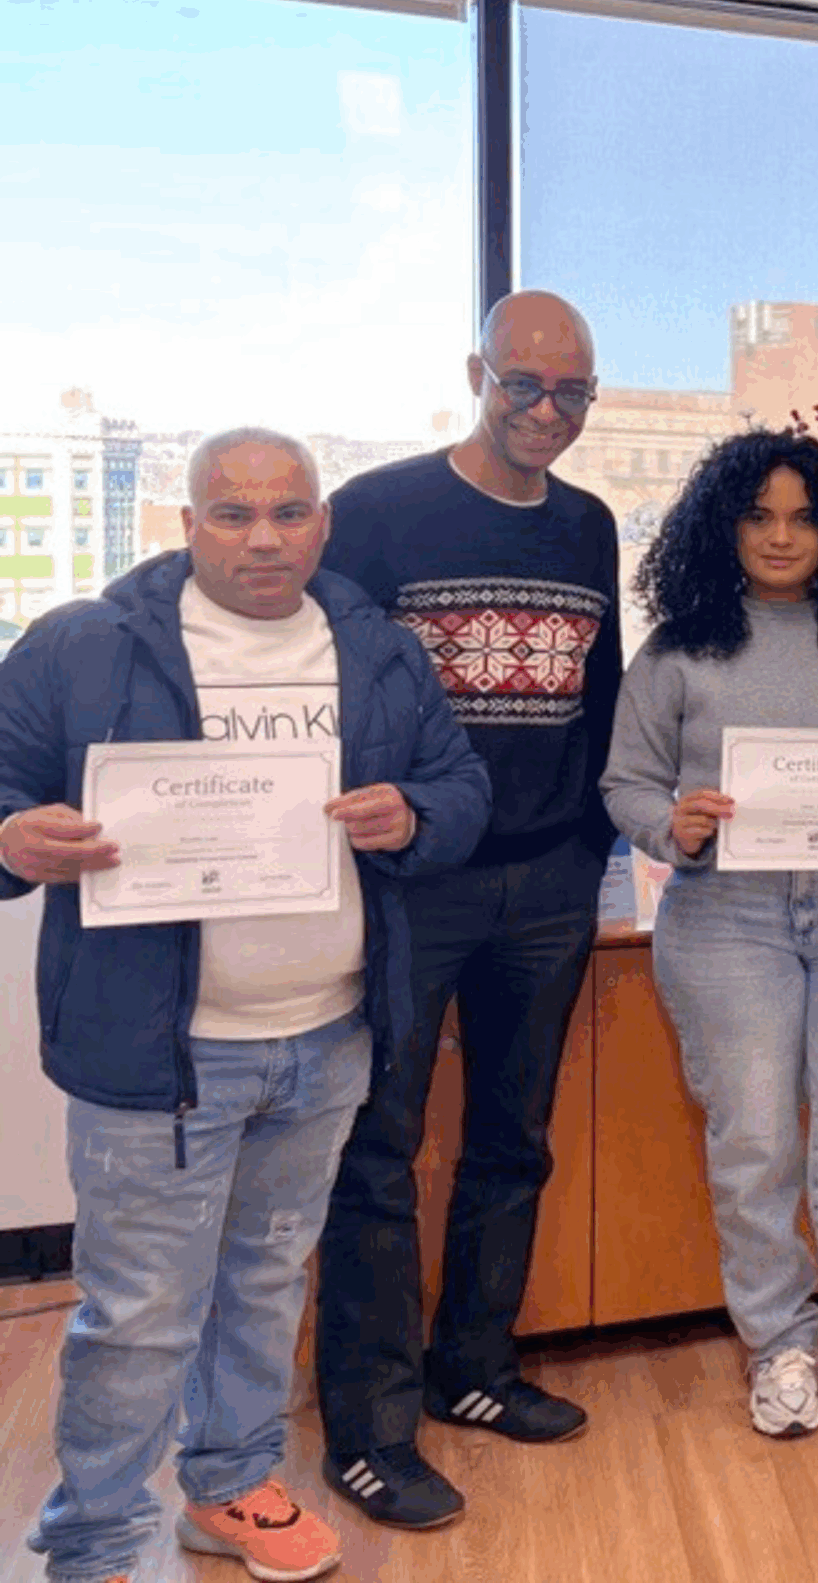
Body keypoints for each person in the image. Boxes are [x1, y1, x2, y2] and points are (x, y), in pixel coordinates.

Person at [1, 428, 489, 1583]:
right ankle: (95, 1544)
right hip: (159, 1055)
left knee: (267, 1285)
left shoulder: (376, 649)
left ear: (322, 522)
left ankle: (226, 1487)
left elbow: (458, 787)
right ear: (186, 524)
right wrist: (11, 838)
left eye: (288, 511)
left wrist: (412, 820)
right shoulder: (86, 645)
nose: (262, 537)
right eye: (231, 513)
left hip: (326, 1038)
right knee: (136, 1316)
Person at [313, 290, 622, 1529]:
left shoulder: (590, 525)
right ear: (475, 374)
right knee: (376, 1151)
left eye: (572, 393)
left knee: (513, 1138)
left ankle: (474, 1372)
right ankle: (370, 1432)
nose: (546, 411)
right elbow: (316, 678)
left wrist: (593, 839)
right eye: (524, 385)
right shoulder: (379, 512)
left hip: (548, 881)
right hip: (411, 885)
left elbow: (597, 690)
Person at [601, 430, 818, 1444]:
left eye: (803, 516)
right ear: (724, 526)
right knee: (753, 1142)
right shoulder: (676, 649)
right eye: (759, 515)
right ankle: (779, 1342)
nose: (782, 536)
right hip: (726, 918)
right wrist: (676, 826)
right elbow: (627, 780)